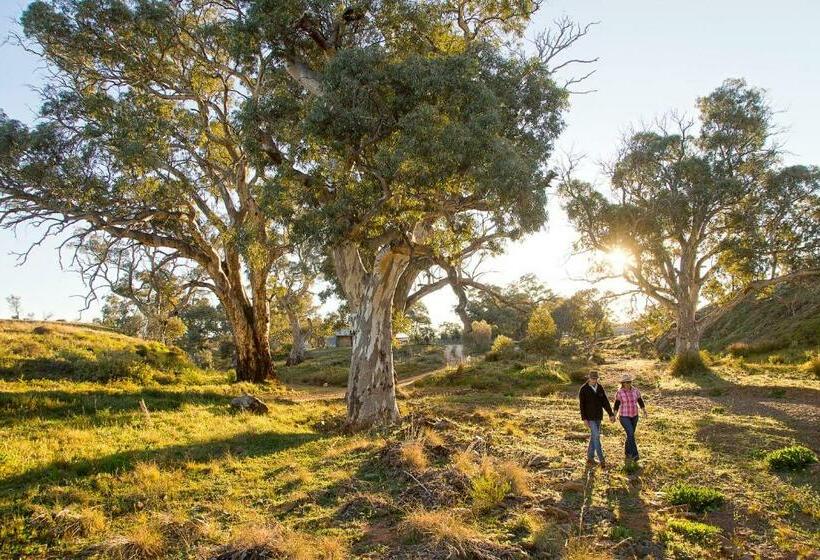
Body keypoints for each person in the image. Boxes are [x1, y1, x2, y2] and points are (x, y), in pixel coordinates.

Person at [578, 370, 615, 468]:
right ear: (589, 378)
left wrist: (611, 414)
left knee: (594, 436)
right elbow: (582, 406)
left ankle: (590, 458)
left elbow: (605, 402)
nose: (594, 380)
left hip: (598, 416)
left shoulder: (600, 387)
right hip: (589, 417)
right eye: (592, 378)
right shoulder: (584, 389)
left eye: (596, 379)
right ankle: (601, 459)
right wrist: (584, 419)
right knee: (597, 436)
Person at [613, 374, 647, 463]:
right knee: (631, 433)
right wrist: (614, 415)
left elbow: (640, 401)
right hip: (624, 416)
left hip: (635, 415)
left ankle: (627, 452)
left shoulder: (635, 390)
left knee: (630, 435)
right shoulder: (620, 392)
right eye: (626, 382)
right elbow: (616, 404)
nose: (628, 383)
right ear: (623, 383)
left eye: (630, 382)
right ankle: (635, 455)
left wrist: (644, 411)